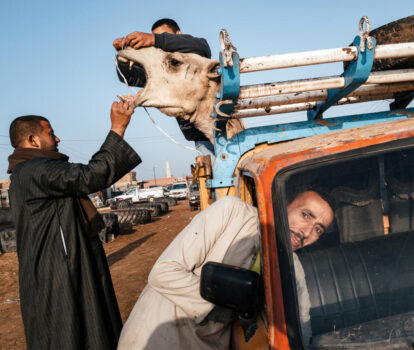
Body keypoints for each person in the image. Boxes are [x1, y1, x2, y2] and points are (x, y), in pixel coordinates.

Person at [118, 190, 334, 349]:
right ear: (283, 202)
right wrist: (232, 307)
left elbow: (302, 318)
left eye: (318, 229)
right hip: (157, 338)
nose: (307, 232)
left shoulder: (292, 267)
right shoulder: (232, 212)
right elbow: (163, 273)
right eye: (305, 215)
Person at [7, 101, 141, 349]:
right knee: (73, 334)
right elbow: (90, 176)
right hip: (60, 275)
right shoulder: (35, 169)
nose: (57, 138)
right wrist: (118, 128)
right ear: (32, 140)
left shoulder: (25, 173)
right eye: (50, 133)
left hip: (58, 268)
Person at [113, 18, 214, 155]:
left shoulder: (193, 57)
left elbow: (202, 46)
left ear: (178, 35)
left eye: (164, 36)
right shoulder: (164, 71)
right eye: (157, 38)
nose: (160, 45)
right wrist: (123, 56)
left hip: (223, 132)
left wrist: (155, 40)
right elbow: (130, 77)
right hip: (202, 140)